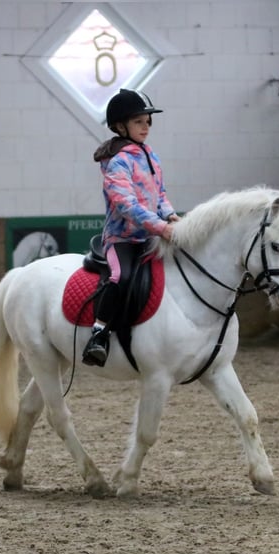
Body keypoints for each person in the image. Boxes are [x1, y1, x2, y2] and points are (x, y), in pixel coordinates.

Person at [82, 89, 180, 367]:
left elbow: (159, 195)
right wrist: (161, 227)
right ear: (120, 125)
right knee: (120, 277)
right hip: (121, 239)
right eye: (139, 122)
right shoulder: (117, 162)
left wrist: (171, 216)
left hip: (150, 236)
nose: (146, 127)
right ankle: (99, 334)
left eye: (148, 122)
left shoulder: (151, 155)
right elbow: (126, 205)